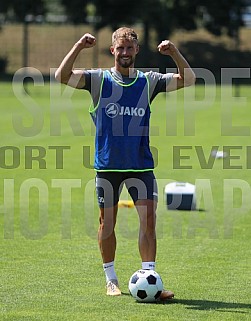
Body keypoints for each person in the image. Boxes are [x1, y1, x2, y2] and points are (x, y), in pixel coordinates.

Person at [55, 27, 195, 299]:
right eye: (120, 48)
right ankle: (111, 280)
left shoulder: (148, 81)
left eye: (130, 48)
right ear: (112, 50)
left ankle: (150, 278)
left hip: (141, 165)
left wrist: (174, 52)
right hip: (108, 167)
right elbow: (62, 76)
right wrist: (78, 47)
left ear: (136, 51)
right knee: (107, 224)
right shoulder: (98, 80)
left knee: (149, 221)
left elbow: (188, 79)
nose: (125, 53)